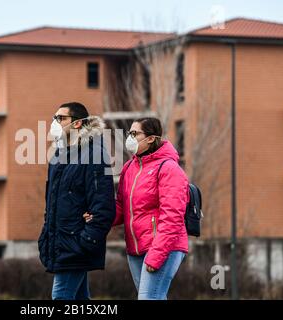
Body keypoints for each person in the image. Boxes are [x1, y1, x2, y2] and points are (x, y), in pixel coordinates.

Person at [84, 117, 189, 300]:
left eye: (135, 133)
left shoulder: (169, 168)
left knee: (149, 298)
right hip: (136, 248)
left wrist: (156, 254)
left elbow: (172, 217)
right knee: (154, 297)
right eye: (129, 133)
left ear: (150, 138)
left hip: (163, 247)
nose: (130, 138)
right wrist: (98, 215)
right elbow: (121, 207)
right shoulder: (129, 168)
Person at [38, 102, 115, 300]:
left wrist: (85, 241)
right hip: (60, 242)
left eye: (61, 118)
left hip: (75, 244)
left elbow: (103, 207)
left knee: (61, 297)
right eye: (54, 118)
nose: (55, 123)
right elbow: (52, 204)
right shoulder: (57, 156)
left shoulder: (94, 154)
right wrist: (45, 234)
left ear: (78, 124)